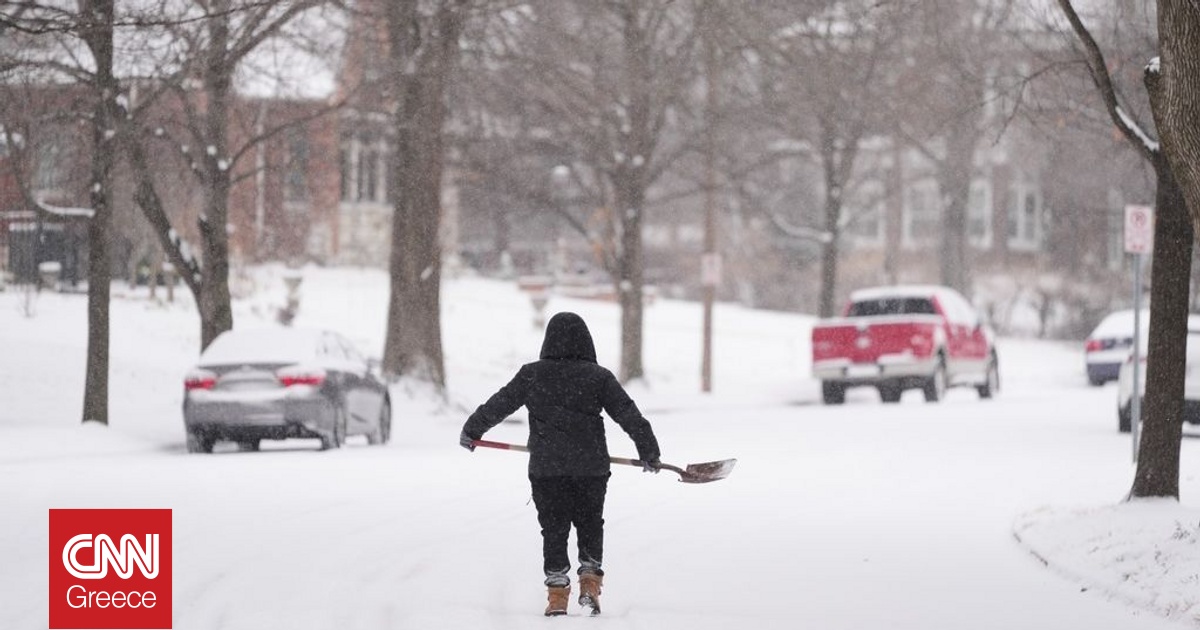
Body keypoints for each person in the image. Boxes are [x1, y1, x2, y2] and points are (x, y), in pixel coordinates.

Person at [459, 311, 662, 617]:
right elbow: (628, 415)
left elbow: (500, 403)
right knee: (590, 522)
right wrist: (649, 450)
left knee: (554, 529)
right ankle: (590, 581)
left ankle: (556, 593)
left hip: (547, 468)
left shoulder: (532, 374)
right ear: (586, 341)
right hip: (590, 467)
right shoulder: (599, 377)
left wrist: (473, 430)